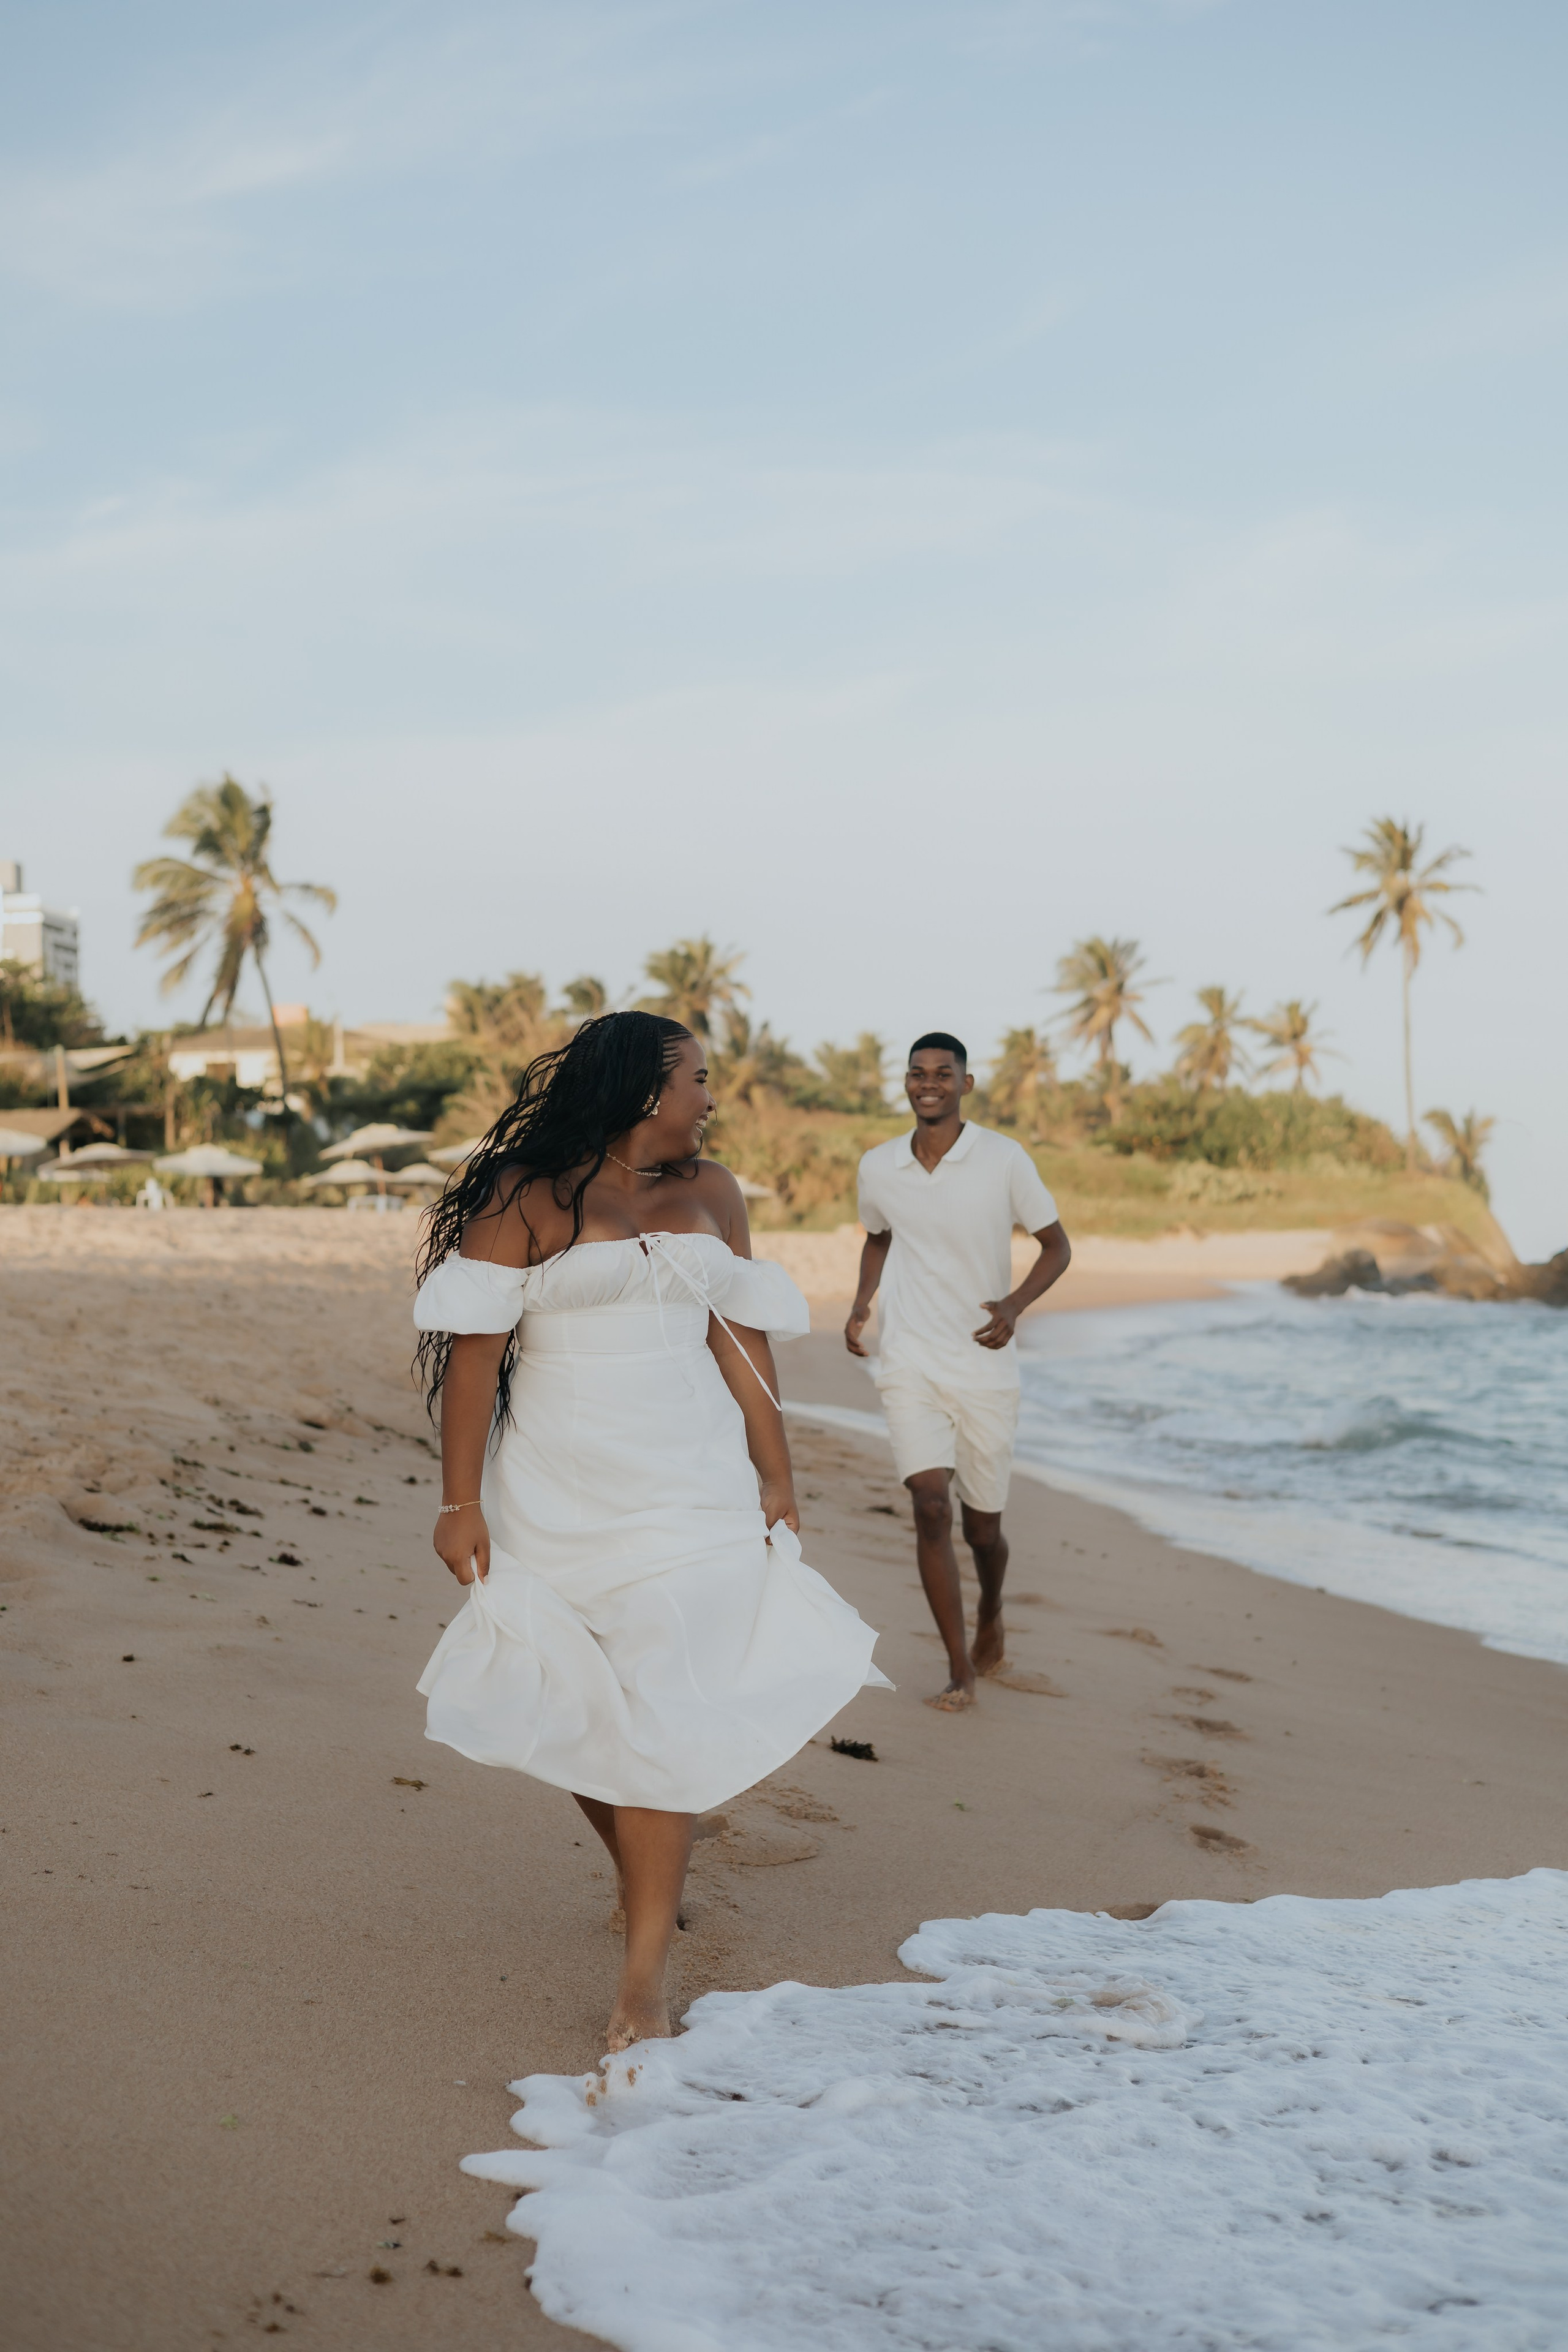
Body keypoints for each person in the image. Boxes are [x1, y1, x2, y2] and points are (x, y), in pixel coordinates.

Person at [412, 1011, 887, 2053]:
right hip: (556, 1488)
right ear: (641, 1089)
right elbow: (476, 1361)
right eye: (697, 1081)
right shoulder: (523, 1196)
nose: (710, 1100)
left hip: (692, 1484)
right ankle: (649, 1863)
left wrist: (778, 1471)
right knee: (577, 1695)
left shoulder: (711, 1195)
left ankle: (642, 1981)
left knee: (663, 1702)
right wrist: (460, 1505)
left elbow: (743, 1344)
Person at [846, 1031, 1071, 1711]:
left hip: (984, 1365)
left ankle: (992, 1610)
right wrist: (862, 1304)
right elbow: (878, 1237)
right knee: (929, 1505)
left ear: (966, 1085)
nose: (929, 1083)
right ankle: (957, 1670)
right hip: (910, 1355)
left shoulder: (1004, 1159)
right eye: (918, 1073)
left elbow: (1056, 1248)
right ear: (906, 1083)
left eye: (944, 1073)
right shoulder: (879, 1166)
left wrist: (1014, 1305)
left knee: (982, 1531)